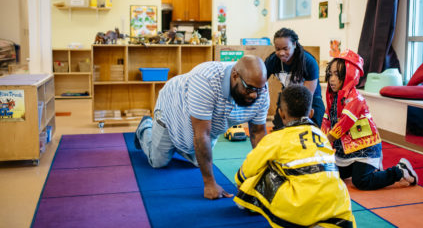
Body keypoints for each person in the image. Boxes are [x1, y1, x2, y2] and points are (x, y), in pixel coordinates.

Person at [134, 55, 270, 200]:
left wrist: (263, 178)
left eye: (259, 89)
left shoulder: (260, 90)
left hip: (206, 123)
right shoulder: (206, 79)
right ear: (235, 76)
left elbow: (258, 133)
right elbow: (201, 135)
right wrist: (210, 184)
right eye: (249, 88)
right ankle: (145, 127)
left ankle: (179, 145)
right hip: (172, 110)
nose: (255, 95)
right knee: (158, 161)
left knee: (197, 161)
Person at [234, 85, 356, 228]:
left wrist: (241, 182)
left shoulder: (276, 138)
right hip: (338, 207)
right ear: (311, 113)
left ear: (281, 114)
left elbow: (249, 167)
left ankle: (302, 220)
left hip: (298, 209)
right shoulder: (322, 136)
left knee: (261, 172)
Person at [322, 50, 418, 190]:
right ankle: (364, 169)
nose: (331, 78)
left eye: (337, 74)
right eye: (330, 73)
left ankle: (400, 170)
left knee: (361, 182)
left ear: (349, 75)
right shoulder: (334, 97)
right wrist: (320, 138)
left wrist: (326, 139)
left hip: (365, 149)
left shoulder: (356, 99)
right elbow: (326, 119)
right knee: (329, 173)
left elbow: (344, 123)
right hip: (345, 151)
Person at [264, 28, 325, 130]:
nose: (281, 53)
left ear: (294, 45)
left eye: (285, 48)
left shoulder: (309, 62)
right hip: (287, 96)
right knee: (280, 131)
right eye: (278, 49)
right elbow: (260, 82)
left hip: (311, 99)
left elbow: (307, 96)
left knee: (308, 131)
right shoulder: (273, 61)